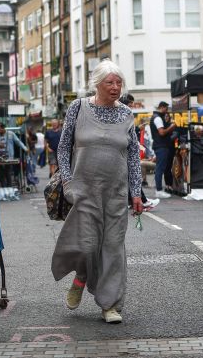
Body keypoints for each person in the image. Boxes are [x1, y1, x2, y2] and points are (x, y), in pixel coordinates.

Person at [51, 60, 143, 324]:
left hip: (116, 192)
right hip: (83, 191)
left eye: (119, 83)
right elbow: (63, 146)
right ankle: (81, 277)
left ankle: (110, 304)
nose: (115, 88)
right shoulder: (78, 107)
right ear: (97, 84)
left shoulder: (126, 113)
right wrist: (68, 183)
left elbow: (134, 155)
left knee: (113, 247)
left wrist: (135, 192)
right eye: (110, 83)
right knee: (88, 246)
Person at [150, 101, 177, 198]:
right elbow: (161, 132)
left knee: (160, 168)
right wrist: (171, 127)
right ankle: (159, 190)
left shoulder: (157, 117)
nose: (167, 110)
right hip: (161, 146)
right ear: (161, 107)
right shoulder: (157, 118)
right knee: (160, 168)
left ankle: (159, 189)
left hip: (160, 145)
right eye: (166, 108)